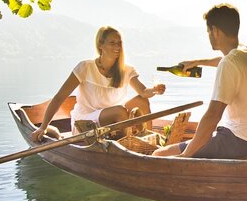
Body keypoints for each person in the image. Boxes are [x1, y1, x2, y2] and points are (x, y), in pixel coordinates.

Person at [153, 4, 247, 159]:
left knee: (159, 154)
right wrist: (197, 62)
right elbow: (225, 60)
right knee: (194, 142)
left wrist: (186, 155)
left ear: (215, 31)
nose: (209, 35)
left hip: (239, 141)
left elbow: (213, 116)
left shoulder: (229, 63)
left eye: (208, 31)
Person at [30, 26, 165, 142]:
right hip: (86, 122)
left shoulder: (127, 69)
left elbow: (143, 92)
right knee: (119, 111)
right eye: (112, 43)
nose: (117, 47)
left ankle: (149, 141)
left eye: (119, 43)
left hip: (116, 118)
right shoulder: (85, 67)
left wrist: (154, 90)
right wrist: (43, 127)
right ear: (100, 45)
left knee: (142, 102)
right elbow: (60, 97)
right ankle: (125, 146)